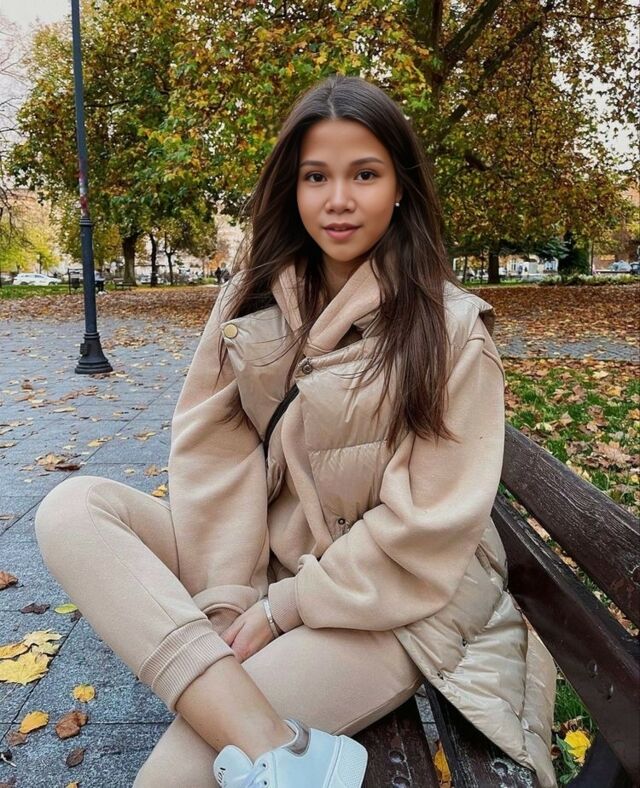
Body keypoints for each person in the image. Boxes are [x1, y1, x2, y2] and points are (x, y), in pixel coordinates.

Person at [34, 75, 557, 788]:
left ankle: (254, 736)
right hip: (274, 560)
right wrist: (228, 599)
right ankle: (286, 756)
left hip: (388, 604)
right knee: (75, 507)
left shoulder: (449, 331)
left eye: (364, 174)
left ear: (400, 188)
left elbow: (423, 530)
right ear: (293, 187)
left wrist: (280, 611)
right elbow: (213, 453)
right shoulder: (251, 298)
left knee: (172, 778)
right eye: (317, 176)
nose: (338, 199)